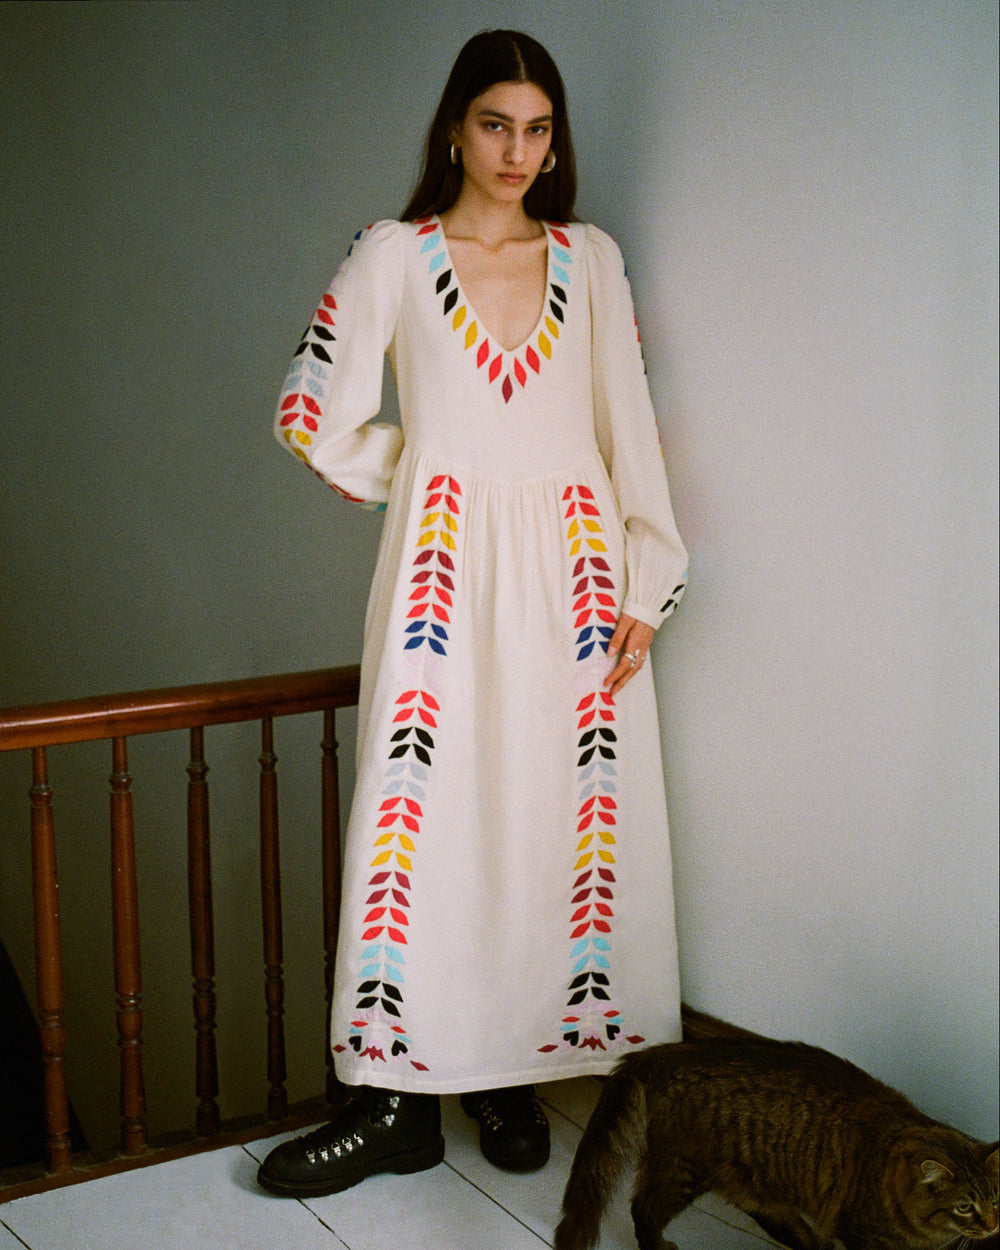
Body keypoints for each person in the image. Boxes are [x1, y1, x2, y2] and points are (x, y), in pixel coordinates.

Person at [257, 28, 688, 1199]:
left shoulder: (589, 259)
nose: (517, 150)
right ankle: (397, 1094)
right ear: (455, 126)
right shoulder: (395, 255)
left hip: (576, 569)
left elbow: (626, 427)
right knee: (430, 812)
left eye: (538, 128)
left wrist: (646, 576)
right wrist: (435, 473)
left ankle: (503, 1073)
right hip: (443, 572)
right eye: (495, 123)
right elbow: (313, 408)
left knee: (547, 814)